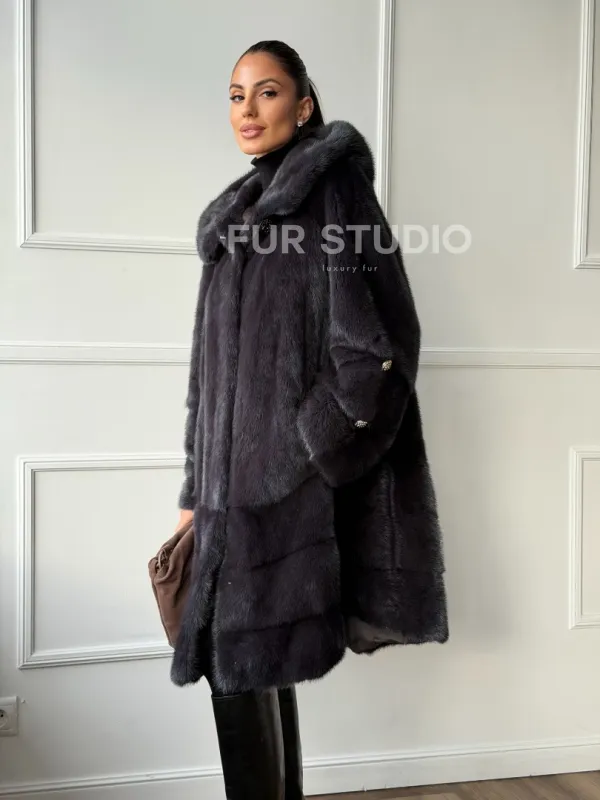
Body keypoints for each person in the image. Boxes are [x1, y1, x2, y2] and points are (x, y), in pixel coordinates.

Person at [173, 40, 449, 800]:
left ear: (303, 105)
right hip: (227, 498)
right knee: (251, 663)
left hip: (285, 492)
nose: (247, 110)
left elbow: (378, 346)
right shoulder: (235, 218)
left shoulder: (334, 196)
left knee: (239, 664)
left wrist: (304, 448)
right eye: (236, 95)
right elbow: (207, 377)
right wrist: (196, 487)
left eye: (266, 92)